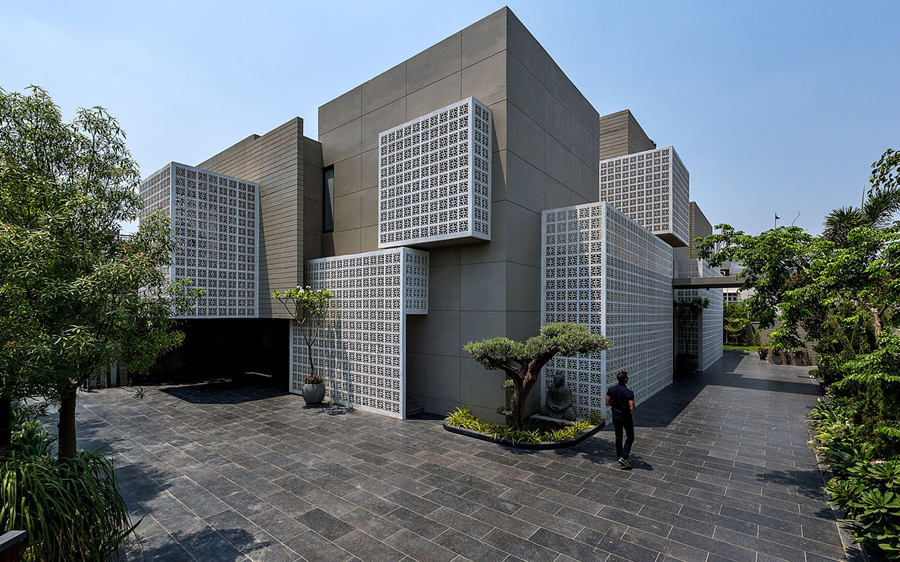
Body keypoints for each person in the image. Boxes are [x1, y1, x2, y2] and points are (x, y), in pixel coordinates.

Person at [606, 371, 635, 469]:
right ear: (625, 380)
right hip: (626, 417)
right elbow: (632, 408)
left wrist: (614, 404)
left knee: (618, 436)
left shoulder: (611, 389)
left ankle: (619, 457)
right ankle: (624, 455)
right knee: (630, 436)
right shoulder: (629, 392)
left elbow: (607, 402)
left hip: (616, 416)